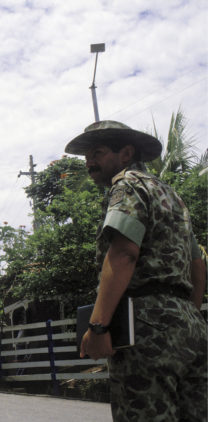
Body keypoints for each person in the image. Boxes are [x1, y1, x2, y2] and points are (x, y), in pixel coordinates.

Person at [66, 120, 207, 421]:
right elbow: (197, 265)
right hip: (191, 327)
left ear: (126, 153)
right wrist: (186, 320)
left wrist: (99, 326)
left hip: (144, 326)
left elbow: (123, 254)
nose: (89, 161)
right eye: (87, 155)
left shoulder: (128, 185)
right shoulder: (174, 198)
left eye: (98, 152)